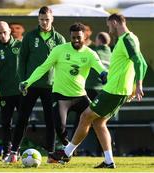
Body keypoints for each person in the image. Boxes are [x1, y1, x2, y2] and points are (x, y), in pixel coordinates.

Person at [50, 13, 148, 168]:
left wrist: (138, 86)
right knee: (98, 122)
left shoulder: (127, 39)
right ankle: (109, 161)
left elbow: (138, 62)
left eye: (109, 25)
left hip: (114, 90)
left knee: (85, 116)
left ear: (115, 23)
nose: (108, 29)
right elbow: (143, 63)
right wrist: (134, 86)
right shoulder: (132, 38)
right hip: (118, 90)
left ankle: (66, 153)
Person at [17, 22, 107, 162]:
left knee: (98, 121)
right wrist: (27, 82)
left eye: (79, 37)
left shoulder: (90, 53)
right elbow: (43, 67)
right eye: (73, 37)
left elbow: (101, 69)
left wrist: (104, 76)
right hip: (61, 97)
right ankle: (67, 150)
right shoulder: (59, 50)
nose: (76, 40)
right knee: (60, 128)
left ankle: (108, 157)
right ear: (70, 36)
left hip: (80, 96)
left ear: (85, 37)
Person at [5, 6, 66, 163]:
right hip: (30, 85)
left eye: (47, 19)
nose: (44, 23)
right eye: (41, 20)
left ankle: (51, 155)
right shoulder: (30, 37)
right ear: (38, 20)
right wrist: (23, 81)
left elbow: (63, 64)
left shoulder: (59, 39)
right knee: (22, 118)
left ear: (52, 19)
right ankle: (13, 153)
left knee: (51, 120)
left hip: (51, 87)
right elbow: (22, 60)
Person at [72, 31, 112, 156]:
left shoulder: (93, 52)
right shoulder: (112, 54)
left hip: (89, 90)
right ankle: (102, 152)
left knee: (81, 120)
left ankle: (72, 150)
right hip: (105, 93)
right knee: (100, 123)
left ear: (99, 41)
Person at [0, 21, 22, 161]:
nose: (2, 35)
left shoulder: (21, 45)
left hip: (21, 92)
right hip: (5, 93)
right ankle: (7, 152)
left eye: (4, 32)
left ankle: (17, 150)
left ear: (10, 31)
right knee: (6, 123)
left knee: (22, 121)